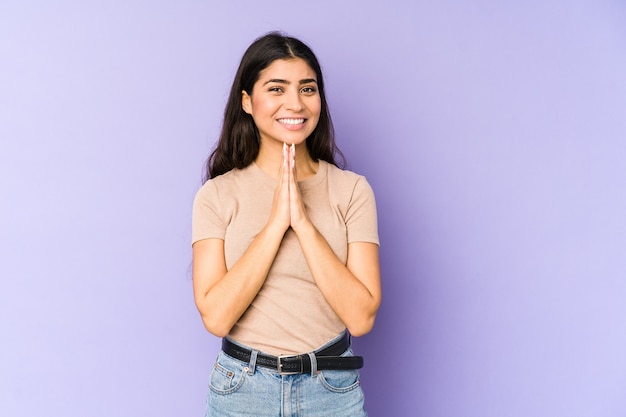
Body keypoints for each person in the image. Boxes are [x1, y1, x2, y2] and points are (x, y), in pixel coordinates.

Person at [191, 32, 381, 416]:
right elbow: (216, 316)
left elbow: (361, 318)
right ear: (247, 101)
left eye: (307, 88)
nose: (295, 103)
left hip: (331, 391)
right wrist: (276, 225)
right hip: (242, 390)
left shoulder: (352, 190)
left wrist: (304, 225)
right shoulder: (216, 196)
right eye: (276, 88)